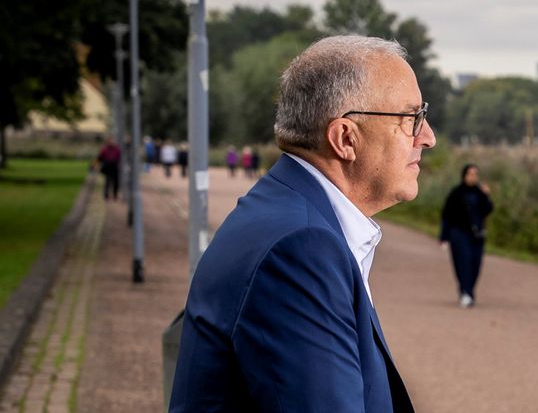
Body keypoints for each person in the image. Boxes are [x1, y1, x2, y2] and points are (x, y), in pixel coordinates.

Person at [170, 36, 435, 412]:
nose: (428, 137)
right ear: (346, 138)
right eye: (412, 118)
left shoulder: (284, 214)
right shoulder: (300, 247)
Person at [439, 164, 493, 307]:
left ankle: (469, 291)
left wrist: (486, 195)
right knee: (463, 263)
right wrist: (444, 237)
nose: (473, 177)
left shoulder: (480, 193)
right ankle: (465, 293)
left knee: (475, 265)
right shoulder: (456, 193)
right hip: (458, 234)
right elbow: (447, 216)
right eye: (470, 174)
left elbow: (487, 210)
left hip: (477, 235)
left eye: (476, 174)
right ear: (464, 175)